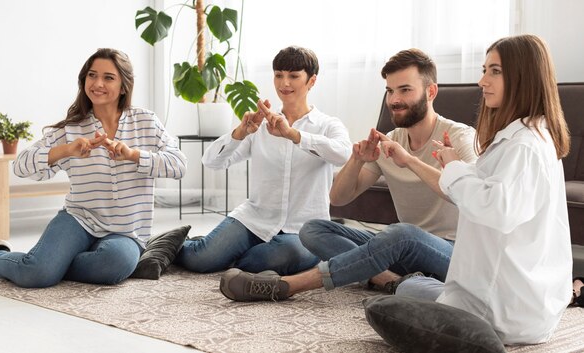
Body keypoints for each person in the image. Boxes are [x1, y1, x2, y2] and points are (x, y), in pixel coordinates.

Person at [219, 48, 477, 301]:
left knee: (402, 233)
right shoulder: (391, 141)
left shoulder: (459, 136)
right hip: (401, 251)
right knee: (313, 230)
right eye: (390, 91)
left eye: (405, 90)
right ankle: (387, 280)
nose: (394, 100)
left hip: (453, 252)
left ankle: (288, 286)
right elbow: (339, 198)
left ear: (430, 92)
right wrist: (356, 160)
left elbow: (473, 198)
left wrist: (409, 161)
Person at [385, 34, 571, 345]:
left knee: (390, 305)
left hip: (502, 311)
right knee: (408, 289)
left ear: (523, 76)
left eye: (494, 71)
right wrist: (456, 165)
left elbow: (496, 209)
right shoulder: (526, 136)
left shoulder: (524, 145)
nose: (482, 80)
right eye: (484, 69)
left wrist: (456, 169)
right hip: (518, 303)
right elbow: (494, 191)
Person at [0, 48, 187, 288]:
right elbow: (20, 166)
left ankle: (49, 263)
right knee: (36, 276)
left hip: (125, 233)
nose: (97, 83)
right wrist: (66, 150)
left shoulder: (146, 121)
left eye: (108, 77)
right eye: (92, 76)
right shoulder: (71, 129)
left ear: (124, 86)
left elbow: (178, 165)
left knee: (116, 264)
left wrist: (133, 155)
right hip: (78, 220)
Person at [175, 46, 352, 276]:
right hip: (254, 219)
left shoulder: (328, 125)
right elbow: (211, 161)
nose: (284, 83)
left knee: (283, 256)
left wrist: (293, 135)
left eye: (293, 76)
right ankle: (180, 245)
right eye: (278, 75)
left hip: (303, 230)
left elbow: (342, 154)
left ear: (312, 81)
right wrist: (240, 132)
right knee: (199, 260)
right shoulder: (260, 127)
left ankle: (232, 256)